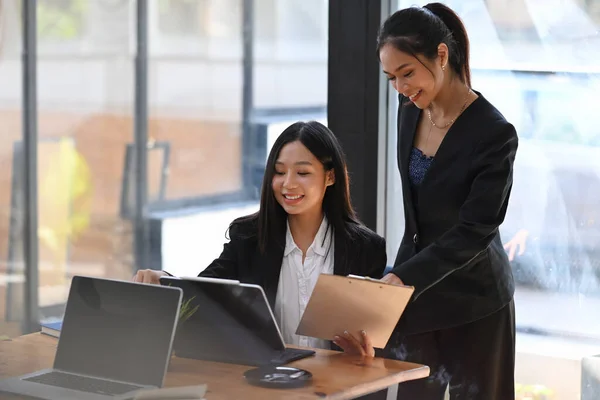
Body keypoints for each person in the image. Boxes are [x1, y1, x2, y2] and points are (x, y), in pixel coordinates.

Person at [338, 3, 519, 399]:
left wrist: (403, 276)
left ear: (441, 55)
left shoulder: (494, 132)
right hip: (418, 296)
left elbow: (475, 230)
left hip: (477, 299)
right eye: (391, 78)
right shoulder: (409, 113)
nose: (401, 87)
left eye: (407, 73)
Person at [134, 121, 386, 352]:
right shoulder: (248, 238)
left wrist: (364, 353)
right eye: (279, 172)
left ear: (330, 177)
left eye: (303, 173)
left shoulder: (366, 248)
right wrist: (166, 280)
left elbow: (377, 342)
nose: (288, 183)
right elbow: (204, 295)